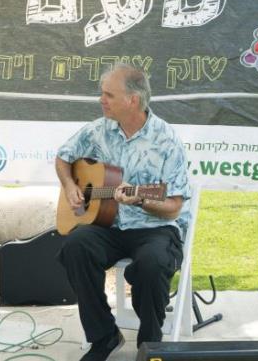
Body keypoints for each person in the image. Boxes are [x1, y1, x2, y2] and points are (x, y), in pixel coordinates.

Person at [56, 64, 191, 361]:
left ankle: (150, 345)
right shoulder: (98, 130)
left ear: (132, 100)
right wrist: (69, 186)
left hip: (154, 227)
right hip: (109, 226)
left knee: (152, 263)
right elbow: (63, 157)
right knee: (76, 246)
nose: (101, 100)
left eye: (108, 95)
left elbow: (174, 207)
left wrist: (141, 200)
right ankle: (104, 337)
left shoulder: (166, 140)